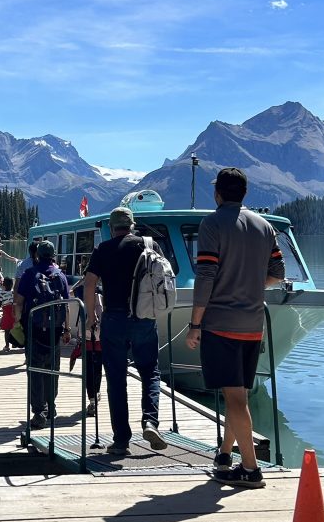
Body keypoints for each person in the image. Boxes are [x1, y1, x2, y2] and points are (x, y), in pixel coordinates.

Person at [185, 167, 286, 489]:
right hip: (253, 325)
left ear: (218, 193)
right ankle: (225, 454)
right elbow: (278, 273)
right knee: (237, 395)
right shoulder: (265, 226)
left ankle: (251, 469)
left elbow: (205, 278)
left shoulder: (212, 224)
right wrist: (252, 286)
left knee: (235, 399)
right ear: (244, 193)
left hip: (221, 324)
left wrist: (195, 323)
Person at [83, 207, 167, 455]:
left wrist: (91, 316)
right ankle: (150, 421)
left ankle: (121, 440)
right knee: (150, 371)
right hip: (143, 318)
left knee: (117, 379)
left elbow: (89, 283)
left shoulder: (104, 249)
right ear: (132, 225)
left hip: (114, 320)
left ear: (111, 227)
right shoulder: (149, 245)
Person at [15, 240, 70, 430]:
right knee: (52, 370)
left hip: (34, 330)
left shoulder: (29, 274)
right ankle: (51, 407)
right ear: (53, 255)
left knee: (35, 371)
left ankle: (39, 412)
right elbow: (66, 304)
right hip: (55, 332)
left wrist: (17, 322)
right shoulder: (60, 276)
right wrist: (67, 330)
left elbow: (19, 302)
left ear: (37, 255)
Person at [69, 279, 103, 417]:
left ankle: (92, 400)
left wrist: (83, 280)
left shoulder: (83, 291)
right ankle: (95, 396)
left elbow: (69, 292)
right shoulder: (102, 291)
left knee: (89, 371)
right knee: (97, 370)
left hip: (88, 338)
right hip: (100, 339)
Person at [0, 277, 18, 352]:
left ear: (3, 285)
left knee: (7, 330)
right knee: (14, 328)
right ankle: (14, 343)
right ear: (12, 284)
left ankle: (7, 345)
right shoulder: (14, 293)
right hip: (14, 311)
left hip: (6, 312)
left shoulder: (1, 293)